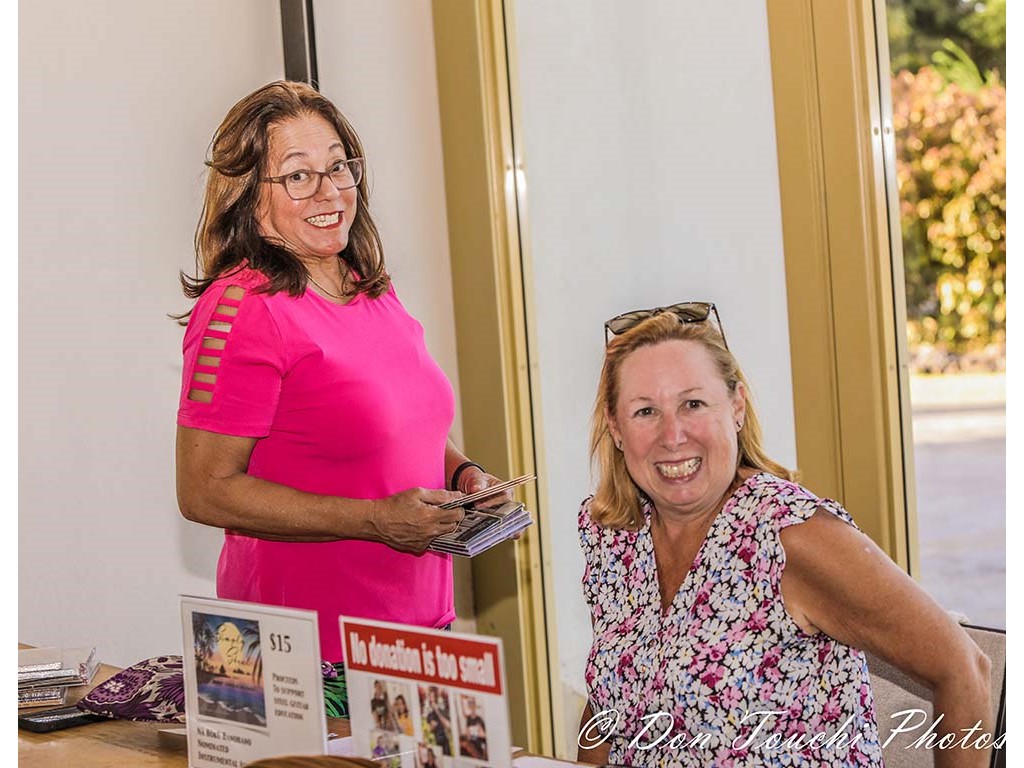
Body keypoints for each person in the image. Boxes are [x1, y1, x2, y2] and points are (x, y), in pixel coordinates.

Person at [175, 81, 506, 716]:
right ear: (248, 193)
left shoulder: (365, 282)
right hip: (293, 657)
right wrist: (375, 519)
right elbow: (203, 491)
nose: (329, 192)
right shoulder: (238, 309)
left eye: (337, 167)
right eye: (298, 176)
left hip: (413, 637)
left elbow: (401, 423)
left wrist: (461, 473)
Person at [576, 303, 993, 768]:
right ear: (616, 427)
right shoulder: (614, 538)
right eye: (645, 411)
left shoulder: (789, 535)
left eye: (693, 404)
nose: (672, 435)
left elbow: (965, 670)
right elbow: (611, 700)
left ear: (736, 407)